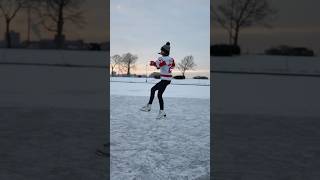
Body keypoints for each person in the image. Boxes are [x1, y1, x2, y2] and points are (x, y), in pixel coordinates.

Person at [140, 42, 175, 119]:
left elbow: (158, 65)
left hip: (164, 80)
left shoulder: (161, 58)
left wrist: (152, 63)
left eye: (161, 51)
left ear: (165, 51)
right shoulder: (171, 59)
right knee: (157, 93)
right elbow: (172, 66)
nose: (161, 52)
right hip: (168, 80)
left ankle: (150, 107)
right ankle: (160, 111)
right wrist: (162, 65)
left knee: (155, 91)